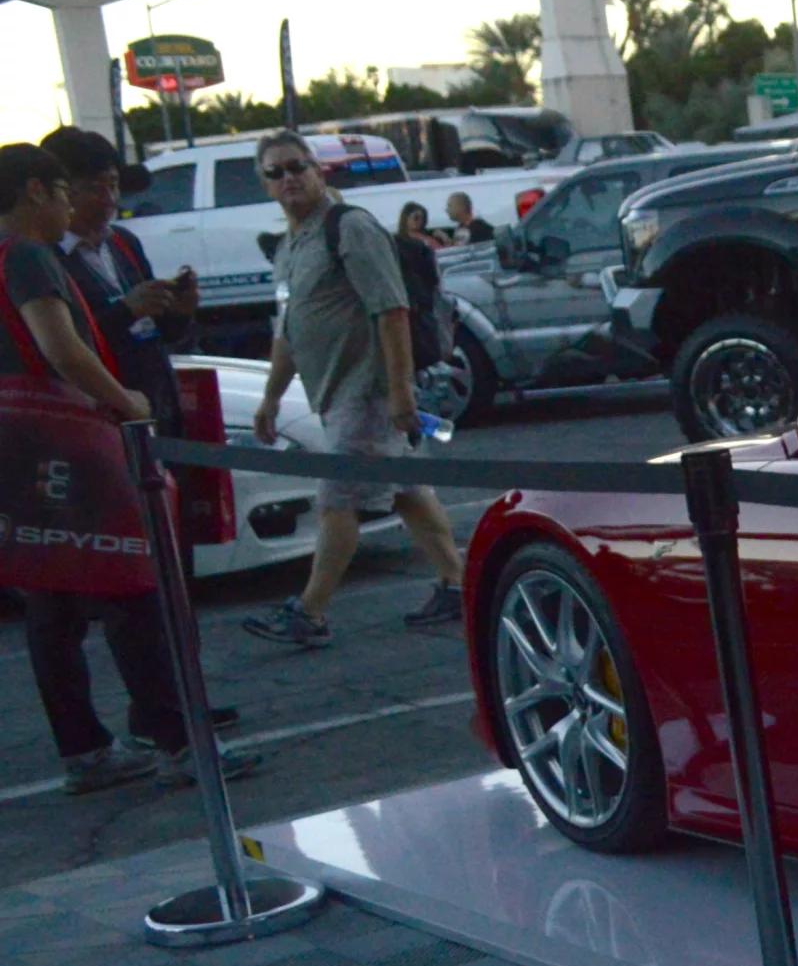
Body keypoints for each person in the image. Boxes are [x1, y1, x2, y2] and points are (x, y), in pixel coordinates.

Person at [0, 144, 254, 794]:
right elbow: (63, 349)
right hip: (76, 442)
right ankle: (176, 741)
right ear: (35, 192)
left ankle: (85, 748)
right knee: (136, 587)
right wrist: (124, 400)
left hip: (24, 449)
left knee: (51, 596)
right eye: (62, 191)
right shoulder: (28, 256)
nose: (67, 206)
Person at [240, 132, 465, 647]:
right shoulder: (289, 246)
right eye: (276, 171)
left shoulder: (350, 228)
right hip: (333, 391)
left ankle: (310, 612)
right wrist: (271, 397)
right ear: (265, 183)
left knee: (336, 499)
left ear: (319, 170)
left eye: (298, 166)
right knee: (407, 489)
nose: (289, 177)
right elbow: (290, 330)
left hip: (368, 390)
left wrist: (401, 390)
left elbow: (392, 310)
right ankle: (458, 582)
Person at [41, 127, 197, 433]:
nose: (110, 199)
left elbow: (161, 335)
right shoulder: (43, 259)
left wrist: (180, 311)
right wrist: (126, 311)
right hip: (101, 422)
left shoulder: (124, 243)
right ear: (61, 192)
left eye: (113, 186)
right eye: (95, 189)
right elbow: (65, 350)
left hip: (159, 410)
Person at [392, 201, 449, 375]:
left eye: (422, 219)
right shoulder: (399, 243)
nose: (418, 223)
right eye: (415, 218)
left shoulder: (425, 243)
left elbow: (433, 274)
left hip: (422, 298)